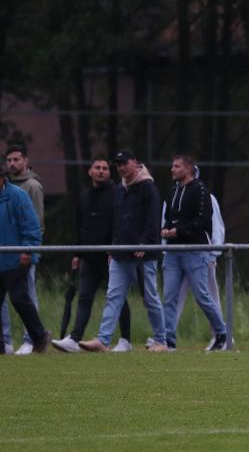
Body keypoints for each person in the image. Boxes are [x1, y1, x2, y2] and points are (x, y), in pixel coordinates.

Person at [79, 150, 168, 353]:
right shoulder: (120, 189)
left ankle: (161, 341)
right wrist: (113, 247)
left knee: (150, 297)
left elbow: (153, 219)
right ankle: (103, 339)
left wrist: (144, 245)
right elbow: (118, 221)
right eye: (118, 164)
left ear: (135, 163)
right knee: (113, 296)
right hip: (120, 253)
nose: (121, 167)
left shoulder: (148, 187)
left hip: (143, 255)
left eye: (124, 163)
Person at [51, 158, 132, 353]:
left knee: (117, 297)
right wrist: (77, 253)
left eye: (105, 168)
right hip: (89, 258)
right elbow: (80, 226)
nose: (101, 171)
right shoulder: (84, 196)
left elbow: (119, 224)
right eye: (97, 168)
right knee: (84, 297)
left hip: (111, 257)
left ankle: (125, 340)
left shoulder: (117, 194)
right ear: (90, 171)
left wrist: (114, 249)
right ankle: (74, 338)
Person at [160, 155, 227, 351]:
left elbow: (203, 221)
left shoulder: (201, 191)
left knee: (203, 296)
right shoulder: (173, 191)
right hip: (173, 252)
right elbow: (169, 217)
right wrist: (166, 230)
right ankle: (169, 340)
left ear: (188, 169)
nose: (172, 169)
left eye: (177, 166)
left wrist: (179, 231)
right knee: (170, 296)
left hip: (196, 251)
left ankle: (221, 332)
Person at [0, 164, 49, 354]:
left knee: (19, 299)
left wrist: (28, 251)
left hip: (16, 260)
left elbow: (31, 226)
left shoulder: (18, 196)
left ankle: (39, 337)